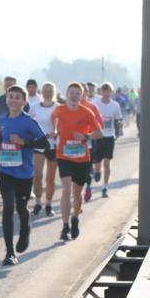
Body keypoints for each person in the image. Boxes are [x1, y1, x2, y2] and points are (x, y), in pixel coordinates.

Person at [0, 85, 48, 265]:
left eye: (17, 97)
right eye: (10, 96)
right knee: (7, 207)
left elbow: (44, 143)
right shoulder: (3, 119)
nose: (13, 100)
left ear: (24, 101)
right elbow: (2, 136)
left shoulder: (28, 122)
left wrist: (24, 142)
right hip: (6, 170)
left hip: (24, 173)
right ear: (6, 100)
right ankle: (10, 253)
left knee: (21, 208)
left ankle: (25, 228)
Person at [52, 82, 102, 241]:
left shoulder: (87, 112)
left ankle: (75, 218)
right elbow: (53, 120)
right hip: (63, 155)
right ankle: (65, 226)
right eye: (71, 92)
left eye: (77, 93)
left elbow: (99, 133)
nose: (74, 95)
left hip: (81, 157)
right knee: (66, 189)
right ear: (67, 94)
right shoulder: (59, 110)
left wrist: (86, 136)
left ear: (82, 96)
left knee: (77, 193)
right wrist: (54, 131)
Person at [27, 81, 60, 216]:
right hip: (39, 145)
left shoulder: (58, 107)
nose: (48, 92)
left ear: (54, 92)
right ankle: (37, 203)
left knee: (50, 178)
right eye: (45, 90)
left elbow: (63, 125)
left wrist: (57, 132)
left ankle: (49, 204)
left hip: (53, 145)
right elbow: (28, 124)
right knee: (37, 175)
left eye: (50, 90)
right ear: (42, 91)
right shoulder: (35, 106)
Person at [91, 82, 123, 197]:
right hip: (98, 136)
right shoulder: (95, 103)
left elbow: (119, 118)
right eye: (104, 90)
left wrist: (120, 123)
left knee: (107, 162)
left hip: (109, 136)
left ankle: (105, 186)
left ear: (111, 92)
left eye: (108, 91)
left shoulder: (115, 105)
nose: (106, 93)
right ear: (101, 91)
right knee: (98, 163)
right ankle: (97, 171)